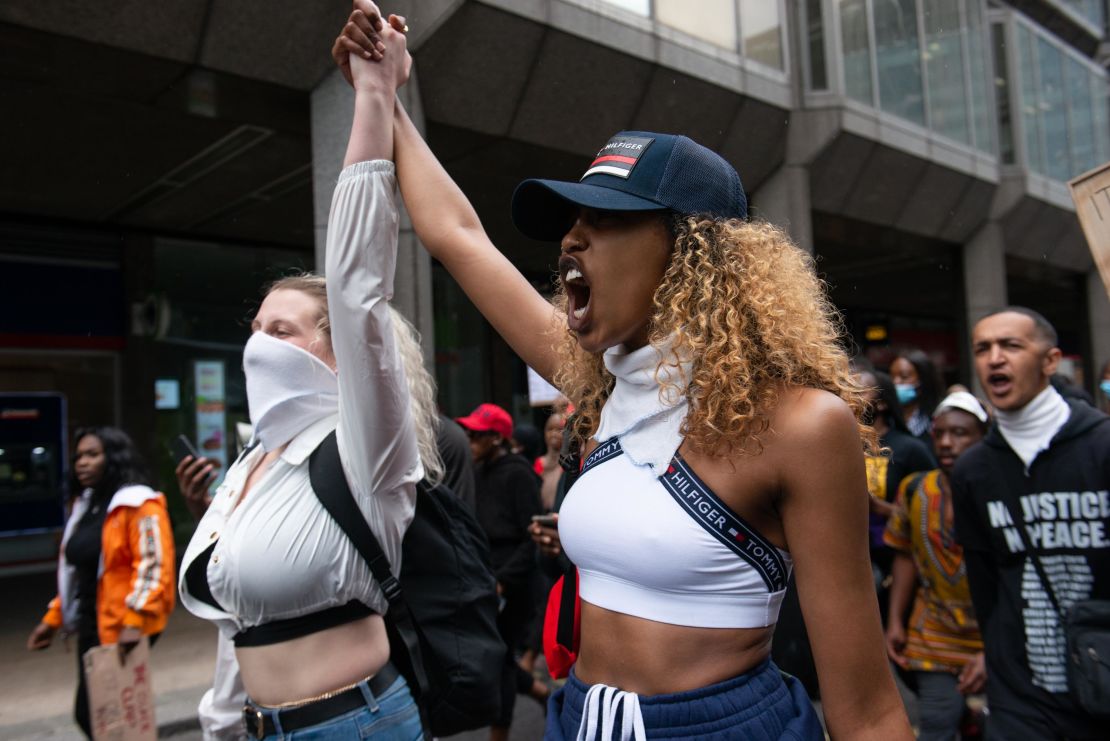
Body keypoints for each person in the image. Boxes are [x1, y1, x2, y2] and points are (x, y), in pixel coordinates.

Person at [334, 8, 912, 736]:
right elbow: (458, 236)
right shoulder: (600, 382)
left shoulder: (800, 423)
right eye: (575, 215)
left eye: (606, 219)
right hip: (578, 717)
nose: (572, 236)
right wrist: (385, 86)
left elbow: (866, 709)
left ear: (695, 254)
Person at [178, 17, 436, 740]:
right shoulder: (252, 464)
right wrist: (222, 726)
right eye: (254, 330)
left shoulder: (368, 446)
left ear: (337, 351)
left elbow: (357, 286)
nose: (260, 346)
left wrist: (374, 93)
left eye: (283, 330)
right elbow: (240, 626)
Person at [953, 306, 1110, 739]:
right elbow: (984, 584)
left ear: (1051, 360)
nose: (994, 358)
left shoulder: (1102, 447)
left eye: (1011, 346)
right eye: (983, 348)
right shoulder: (973, 471)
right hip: (1019, 700)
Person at [27, 427, 175, 739]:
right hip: (90, 623)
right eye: (79, 455)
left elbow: (154, 564)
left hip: (123, 627)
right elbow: (79, 573)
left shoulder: (138, 503)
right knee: (99, 716)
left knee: (112, 717)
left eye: (92, 455)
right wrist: (53, 619)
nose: (82, 462)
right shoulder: (87, 505)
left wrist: (134, 622)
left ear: (114, 458)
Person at [884, 392, 989, 740]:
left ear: (982, 436)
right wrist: (895, 620)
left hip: (994, 635)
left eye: (960, 434)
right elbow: (905, 556)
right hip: (933, 634)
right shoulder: (915, 489)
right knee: (937, 726)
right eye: (940, 433)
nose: (947, 443)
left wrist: (994, 648)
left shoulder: (1000, 488)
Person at [455, 402, 548, 741]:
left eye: (476, 435)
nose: (469, 441)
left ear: (496, 438)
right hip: (487, 578)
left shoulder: (518, 472)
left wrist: (504, 582)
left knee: (499, 661)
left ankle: (501, 732)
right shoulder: (477, 471)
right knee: (497, 658)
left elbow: (532, 535)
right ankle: (541, 693)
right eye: (467, 434)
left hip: (516, 584)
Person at [858, 369, 936, 618]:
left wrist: (879, 508)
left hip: (895, 563)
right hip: (855, 560)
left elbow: (931, 512)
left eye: (860, 390)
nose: (849, 395)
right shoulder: (841, 444)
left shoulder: (910, 449)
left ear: (881, 403)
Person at [891, 349, 944, 444]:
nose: (895, 382)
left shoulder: (938, 419)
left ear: (923, 380)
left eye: (904, 377)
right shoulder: (886, 420)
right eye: (892, 377)